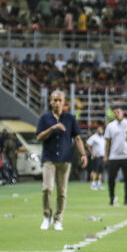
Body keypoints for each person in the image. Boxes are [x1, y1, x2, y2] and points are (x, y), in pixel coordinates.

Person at [36, 90, 87, 231]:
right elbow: (39, 137)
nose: (57, 103)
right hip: (49, 159)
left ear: (64, 102)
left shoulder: (70, 118)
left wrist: (83, 154)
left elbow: (77, 137)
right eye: (54, 100)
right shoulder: (44, 118)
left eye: (60, 100)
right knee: (47, 188)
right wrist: (53, 128)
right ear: (50, 101)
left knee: (62, 191)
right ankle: (47, 216)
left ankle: (58, 219)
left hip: (65, 159)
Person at [104, 108, 127, 206]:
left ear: (123, 113)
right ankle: (112, 198)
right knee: (111, 178)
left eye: (118, 112)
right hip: (114, 156)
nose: (116, 114)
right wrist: (106, 155)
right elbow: (107, 142)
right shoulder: (110, 126)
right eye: (115, 112)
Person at [86, 123, 105, 190]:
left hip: (102, 156)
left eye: (101, 129)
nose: (100, 130)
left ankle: (99, 184)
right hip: (96, 157)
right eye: (99, 129)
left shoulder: (103, 137)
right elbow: (87, 144)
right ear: (97, 130)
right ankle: (93, 184)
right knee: (94, 170)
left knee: (100, 171)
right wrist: (92, 153)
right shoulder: (94, 137)